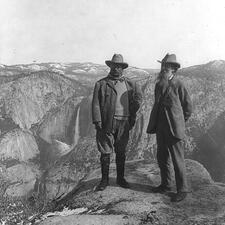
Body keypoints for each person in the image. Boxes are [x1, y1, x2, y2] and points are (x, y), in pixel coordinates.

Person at [92, 53, 143, 191]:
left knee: (121, 151)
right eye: (114, 66)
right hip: (107, 122)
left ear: (123, 68)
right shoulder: (101, 84)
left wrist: (133, 113)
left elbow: (138, 100)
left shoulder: (131, 84)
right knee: (105, 151)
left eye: (119, 67)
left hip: (124, 122)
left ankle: (120, 179)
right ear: (110, 67)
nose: (116, 69)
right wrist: (97, 120)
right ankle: (104, 180)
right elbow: (96, 103)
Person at [147, 53, 192, 202]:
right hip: (161, 127)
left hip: (174, 129)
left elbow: (188, 108)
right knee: (162, 157)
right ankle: (166, 184)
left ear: (173, 69)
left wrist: (179, 122)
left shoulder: (179, 84)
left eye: (167, 66)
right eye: (163, 66)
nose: (164, 69)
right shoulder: (159, 84)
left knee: (177, 159)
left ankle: (182, 189)